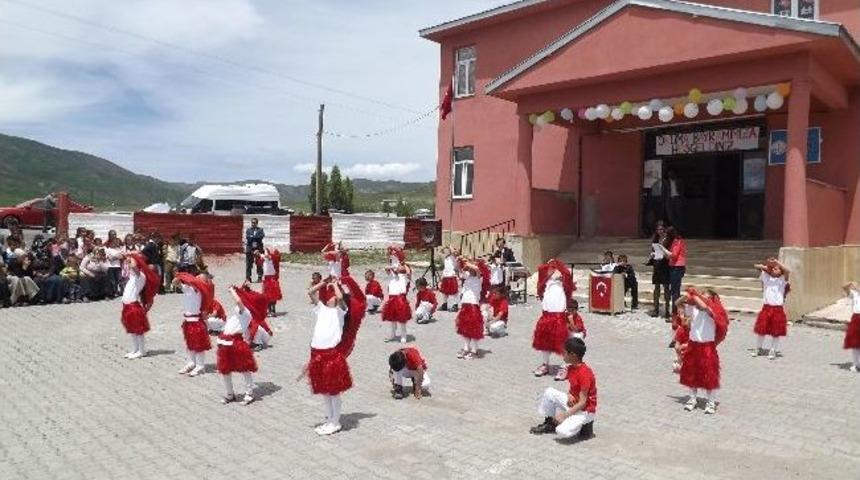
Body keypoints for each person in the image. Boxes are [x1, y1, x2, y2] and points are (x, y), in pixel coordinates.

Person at [302, 276, 366, 435]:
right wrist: (323, 283)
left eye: (333, 297)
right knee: (324, 390)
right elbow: (310, 292)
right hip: (317, 354)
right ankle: (330, 418)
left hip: (331, 354)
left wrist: (336, 285)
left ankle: (336, 422)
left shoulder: (340, 312)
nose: (330, 298)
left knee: (333, 390)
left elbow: (339, 298)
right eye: (329, 297)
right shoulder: (322, 309)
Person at [529, 337, 597, 440]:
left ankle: (585, 427)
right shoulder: (570, 368)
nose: (562, 354)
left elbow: (583, 402)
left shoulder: (584, 373)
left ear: (573, 355)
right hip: (574, 404)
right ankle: (550, 423)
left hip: (584, 411)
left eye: (564, 352)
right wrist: (569, 395)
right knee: (549, 392)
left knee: (561, 431)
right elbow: (573, 388)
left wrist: (564, 415)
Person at [680, 288, 728, 415]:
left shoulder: (713, 311)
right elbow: (678, 303)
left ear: (712, 299)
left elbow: (704, 305)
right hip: (693, 344)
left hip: (707, 346)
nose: (702, 298)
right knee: (691, 373)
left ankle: (711, 402)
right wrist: (686, 295)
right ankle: (692, 399)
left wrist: (694, 294)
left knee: (709, 375)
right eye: (701, 295)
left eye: (705, 296)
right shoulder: (694, 308)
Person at [217, 285, 262, 406]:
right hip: (225, 342)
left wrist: (232, 291)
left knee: (244, 368)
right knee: (225, 369)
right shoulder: (238, 312)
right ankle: (230, 394)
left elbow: (238, 301)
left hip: (236, 342)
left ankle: (249, 393)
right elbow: (238, 301)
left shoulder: (246, 312)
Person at [532, 259, 575, 380]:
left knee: (562, 342)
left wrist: (559, 268)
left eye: (554, 265)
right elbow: (540, 283)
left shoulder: (563, 278)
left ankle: (565, 366)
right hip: (546, 315)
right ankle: (545, 364)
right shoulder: (544, 280)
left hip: (559, 315)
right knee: (544, 341)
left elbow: (569, 285)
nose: (552, 266)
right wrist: (549, 270)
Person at [171, 273, 214, 376]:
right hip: (187, 320)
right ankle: (191, 362)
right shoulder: (188, 288)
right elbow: (174, 282)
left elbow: (197, 283)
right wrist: (179, 275)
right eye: (197, 276)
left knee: (198, 344)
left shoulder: (200, 290)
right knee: (190, 343)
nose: (196, 278)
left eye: (200, 277)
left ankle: (200, 365)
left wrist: (186, 277)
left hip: (196, 321)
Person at [120, 254, 160, 359]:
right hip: (127, 306)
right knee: (132, 329)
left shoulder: (140, 276)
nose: (128, 265)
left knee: (138, 330)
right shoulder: (132, 277)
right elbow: (128, 268)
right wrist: (127, 261)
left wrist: (131, 258)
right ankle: (135, 349)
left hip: (133, 306)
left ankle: (141, 350)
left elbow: (133, 266)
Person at [752, 258, 790, 360]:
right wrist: (769, 265)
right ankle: (758, 348)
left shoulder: (782, 279)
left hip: (777, 309)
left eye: (777, 269)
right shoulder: (766, 277)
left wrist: (777, 262)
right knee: (761, 330)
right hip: (766, 307)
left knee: (776, 331)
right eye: (774, 269)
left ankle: (773, 350)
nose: (774, 270)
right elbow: (757, 266)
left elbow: (788, 271)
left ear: (781, 271)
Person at [456, 258, 488, 359]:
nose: (469, 270)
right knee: (464, 328)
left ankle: (474, 350)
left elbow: (477, 270)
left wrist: (468, 263)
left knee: (473, 329)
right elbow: (458, 269)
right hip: (465, 304)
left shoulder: (479, 277)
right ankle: (466, 348)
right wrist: (458, 260)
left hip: (473, 305)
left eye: (471, 268)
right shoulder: (467, 277)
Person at [381, 246, 412, 343]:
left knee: (401, 314)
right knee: (392, 314)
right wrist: (388, 269)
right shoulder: (391, 265)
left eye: (395, 255)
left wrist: (400, 268)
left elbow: (408, 273)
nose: (392, 257)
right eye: (391, 256)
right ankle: (392, 334)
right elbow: (389, 274)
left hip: (400, 292)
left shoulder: (404, 266)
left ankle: (403, 334)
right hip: (392, 291)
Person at [648, 222, 671, 319]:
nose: (660, 231)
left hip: (665, 265)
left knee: (666, 288)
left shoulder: (669, 240)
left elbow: (670, 253)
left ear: (665, 230)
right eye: (658, 230)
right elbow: (653, 250)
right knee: (656, 287)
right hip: (657, 265)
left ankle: (667, 310)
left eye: (661, 229)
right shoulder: (655, 240)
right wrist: (652, 254)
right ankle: (656, 309)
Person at [665, 227, 687, 315]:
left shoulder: (677, 241)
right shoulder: (675, 241)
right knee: (674, 290)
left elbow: (674, 255)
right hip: (674, 266)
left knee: (675, 291)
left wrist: (663, 249)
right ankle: (675, 311)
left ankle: (675, 312)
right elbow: (670, 256)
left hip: (677, 267)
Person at [842, 281, 860, 372]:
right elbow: (844, 288)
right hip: (856, 318)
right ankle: (856, 365)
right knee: (854, 343)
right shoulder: (854, 294)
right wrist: (849, 283)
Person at [258, 248, 282, 317]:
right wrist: (259, 255)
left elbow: (273, 257)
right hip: (266, 279)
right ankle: (269, 310)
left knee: (273, 296)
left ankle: (273, 310)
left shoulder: (274, 258)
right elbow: (259, 262)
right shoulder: (264, 259)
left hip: (273, 279)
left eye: (267, 252)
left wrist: (261, 254)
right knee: (266, 296)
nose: (266, 254)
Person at [671, 295, 691, 374]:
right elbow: (677, 303)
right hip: (683, 337)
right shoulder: (681, 329)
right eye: (680, 314)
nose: (681, 316)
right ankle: (680, 360)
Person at [438, 246, 460, 312]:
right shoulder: (446, 257)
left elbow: (455, 252)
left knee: (453, 291)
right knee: (444, 291)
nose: (446, 251)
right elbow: (440, 252)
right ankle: (444, 304)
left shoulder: (454, 257)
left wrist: (450, 247)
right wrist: (444, 247)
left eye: (448, 250)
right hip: (445, 276)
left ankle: (455, 305)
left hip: (452, 276)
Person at [245, 218, 265, 282]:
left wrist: (253, 237)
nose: (253, 224)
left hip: (258, 248)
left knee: (259, 263)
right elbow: (248, 238)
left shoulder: (260, 230)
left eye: (254, 223)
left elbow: (261, 237)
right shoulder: (248, 230)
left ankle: (259, 277)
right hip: (250, 248)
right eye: (252, 223)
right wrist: (255, 237)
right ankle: (248, 277)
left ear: (257, 223)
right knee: (249, 264)